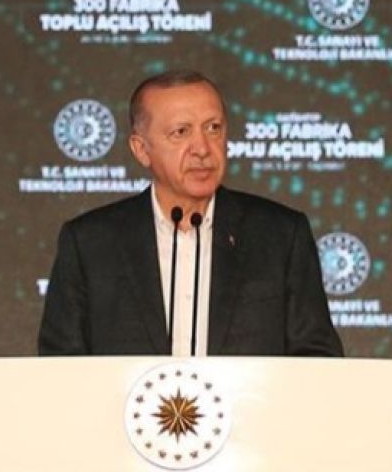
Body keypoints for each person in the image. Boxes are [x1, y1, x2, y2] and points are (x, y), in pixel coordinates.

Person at [38, 70, 343, 357]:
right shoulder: (90, 243)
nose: (202, 148)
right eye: (181, 132)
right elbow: (61, 366)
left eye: (213, 128)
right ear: (141, 149)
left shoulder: (280, 235)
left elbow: (317, 359)